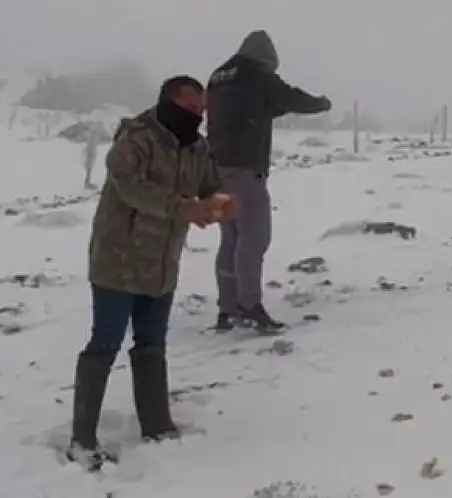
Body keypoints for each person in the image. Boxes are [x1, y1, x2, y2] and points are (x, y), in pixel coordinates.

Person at [67, 75, 234, 471]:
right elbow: (131, 187)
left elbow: (209, 184)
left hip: (161, 263)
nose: (199, 117)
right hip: (119, 260)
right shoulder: (135, 140)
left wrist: (218, 203)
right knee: (104, 344)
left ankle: (157, 426)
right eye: (192, 109)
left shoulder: (197, 146)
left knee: (152, 344)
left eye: (203, 111)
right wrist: (183, 208)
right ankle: (82, 438)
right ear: (169, 104)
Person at [206, 30, 332, 333]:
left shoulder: (219, 76)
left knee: (231, 237)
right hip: (245, 168)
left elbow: (257, 108)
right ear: (267, 58)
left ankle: (227, 307)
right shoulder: (256, 73)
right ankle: (249, 305)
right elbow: (289, 97)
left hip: (215, 168)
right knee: (254, 236)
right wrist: (321, 104)